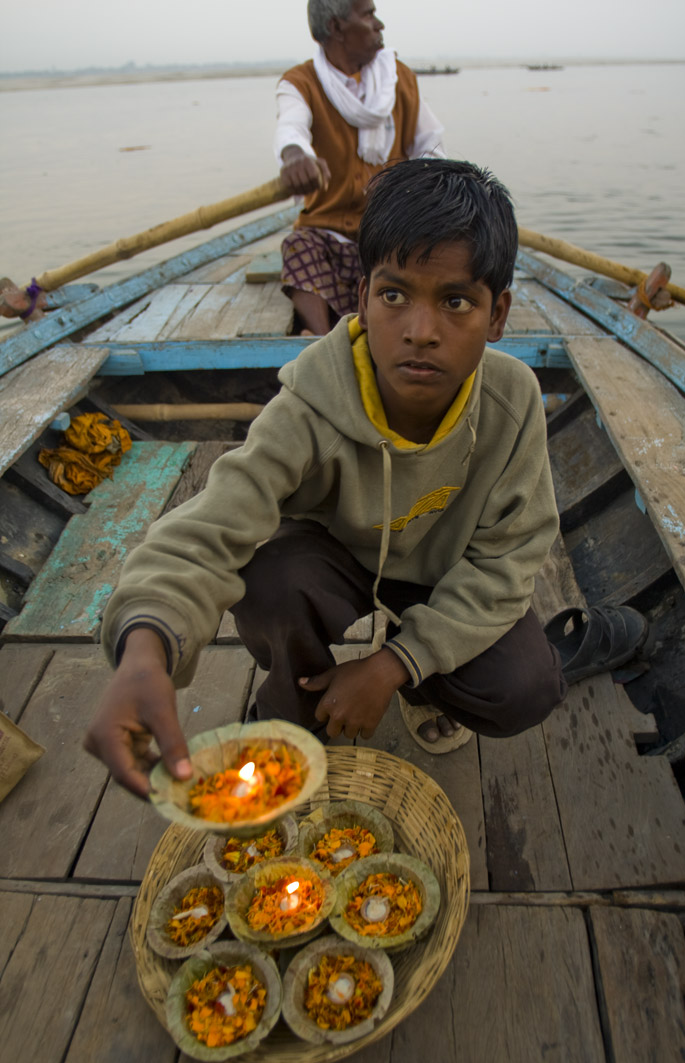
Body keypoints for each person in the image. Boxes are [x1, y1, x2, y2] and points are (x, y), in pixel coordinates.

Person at [84, 158, 566, 798]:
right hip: (338, 578)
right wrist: (146, 648)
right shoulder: (311, 404)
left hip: (443, 584)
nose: (420, 332)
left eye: (456, 302)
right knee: (271, 580)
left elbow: (508, 561)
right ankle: (297, 710)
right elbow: (210, 527)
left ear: (497, 315)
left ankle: (421, 688)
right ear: (362, 298)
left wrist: (396, 664)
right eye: (394, 295)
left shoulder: (513, 401)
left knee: (525, 686)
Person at [275, 0, 445, 335]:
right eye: (368, 15)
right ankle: (322, 343)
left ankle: (384, 331)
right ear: (337, 27)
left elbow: (432, 149)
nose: (379, 24)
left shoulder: (400, 79)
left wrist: (402, 184)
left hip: (389, 231)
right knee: (298, 246)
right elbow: (290, 127)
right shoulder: (301, 82)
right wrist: (295, 157)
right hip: (327, 233)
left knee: (417, 262)